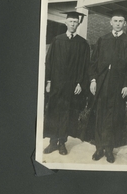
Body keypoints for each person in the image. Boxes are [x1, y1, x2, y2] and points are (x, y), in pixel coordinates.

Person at [89, 10, 127, 163]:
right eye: (115, 21)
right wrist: (93, 80)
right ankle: (99, 147)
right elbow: (93, 63)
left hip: (118, 84)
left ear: (124, 23)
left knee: (114, 115)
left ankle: (109, 149)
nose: (117, 24)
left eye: (120, 21)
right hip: (102, 82)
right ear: (110, 22)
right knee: (100, 115)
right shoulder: (103, 40)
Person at [43, 11, 90, 155]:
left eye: (75, 22)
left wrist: (80, 83)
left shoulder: (83, 44)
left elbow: (85, 66)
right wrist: (49, 81)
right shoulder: (57, 40)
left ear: (78, 24)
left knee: (67, 113)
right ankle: (52, 142)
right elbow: (49, 62)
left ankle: (62, 142)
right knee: (54, 111)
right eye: (70, 21)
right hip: (57, 84)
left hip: (72, 85)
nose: (72, 24)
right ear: (66, 23)